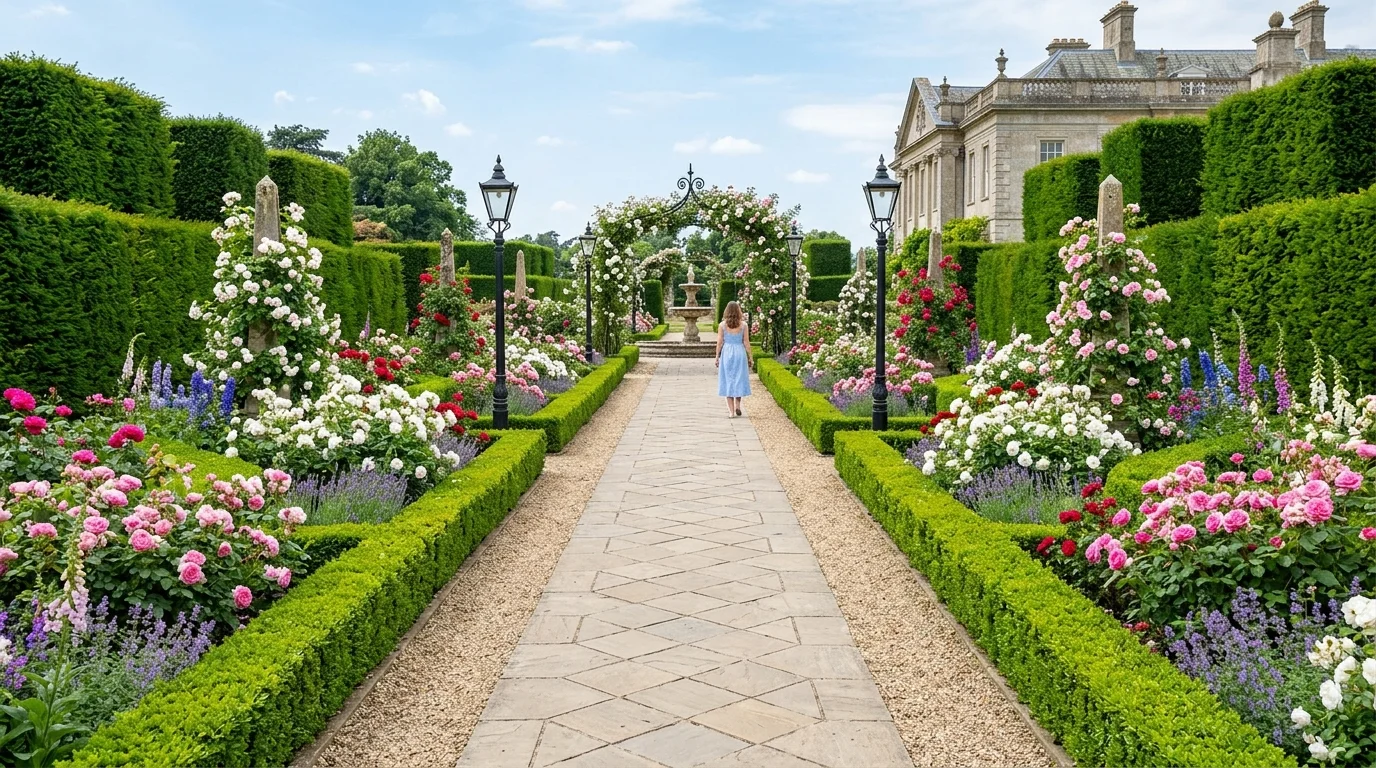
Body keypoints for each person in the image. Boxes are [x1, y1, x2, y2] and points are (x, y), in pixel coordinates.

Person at [715, 301, 752, 417]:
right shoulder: (743, 325)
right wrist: (750, 357)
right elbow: (746, 342)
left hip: (727, 353)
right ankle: (738, 406)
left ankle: (731, 412)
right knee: (739, 378)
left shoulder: (722, 325)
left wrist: (717, 356)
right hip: (740, 352)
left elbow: (719, 342)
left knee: (728, 379)